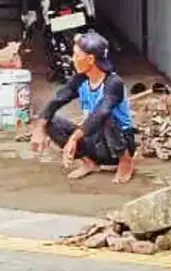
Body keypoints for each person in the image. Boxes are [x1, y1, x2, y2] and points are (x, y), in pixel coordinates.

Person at [30, 31, 136, 184]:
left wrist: (73, 138)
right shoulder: (80, 80)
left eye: (76, 55)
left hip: (117, 143)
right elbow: (56, 101)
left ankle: (125, 162)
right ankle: (89, 162)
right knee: (51, 121)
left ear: (90, 59)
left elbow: (101, 113)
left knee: (106, 117)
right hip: (93, 140)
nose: (73, 60)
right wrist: (39, 128)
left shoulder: (113, 83)